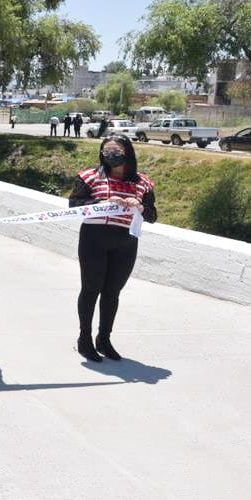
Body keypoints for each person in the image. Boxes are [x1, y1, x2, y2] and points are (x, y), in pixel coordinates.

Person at [68, 134, 156, 362]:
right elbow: (74, 204)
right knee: (91, 289)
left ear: (127, 153)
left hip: (126, 241)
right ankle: (84, 338)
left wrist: (141, 207)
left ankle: (104, 338)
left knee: (112, 292)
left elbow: (153, 215)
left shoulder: (143, 183)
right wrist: (102, 203)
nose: (111, 156)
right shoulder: (90, 177)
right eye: (106, 152)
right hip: (94, 239)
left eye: (116, 152)